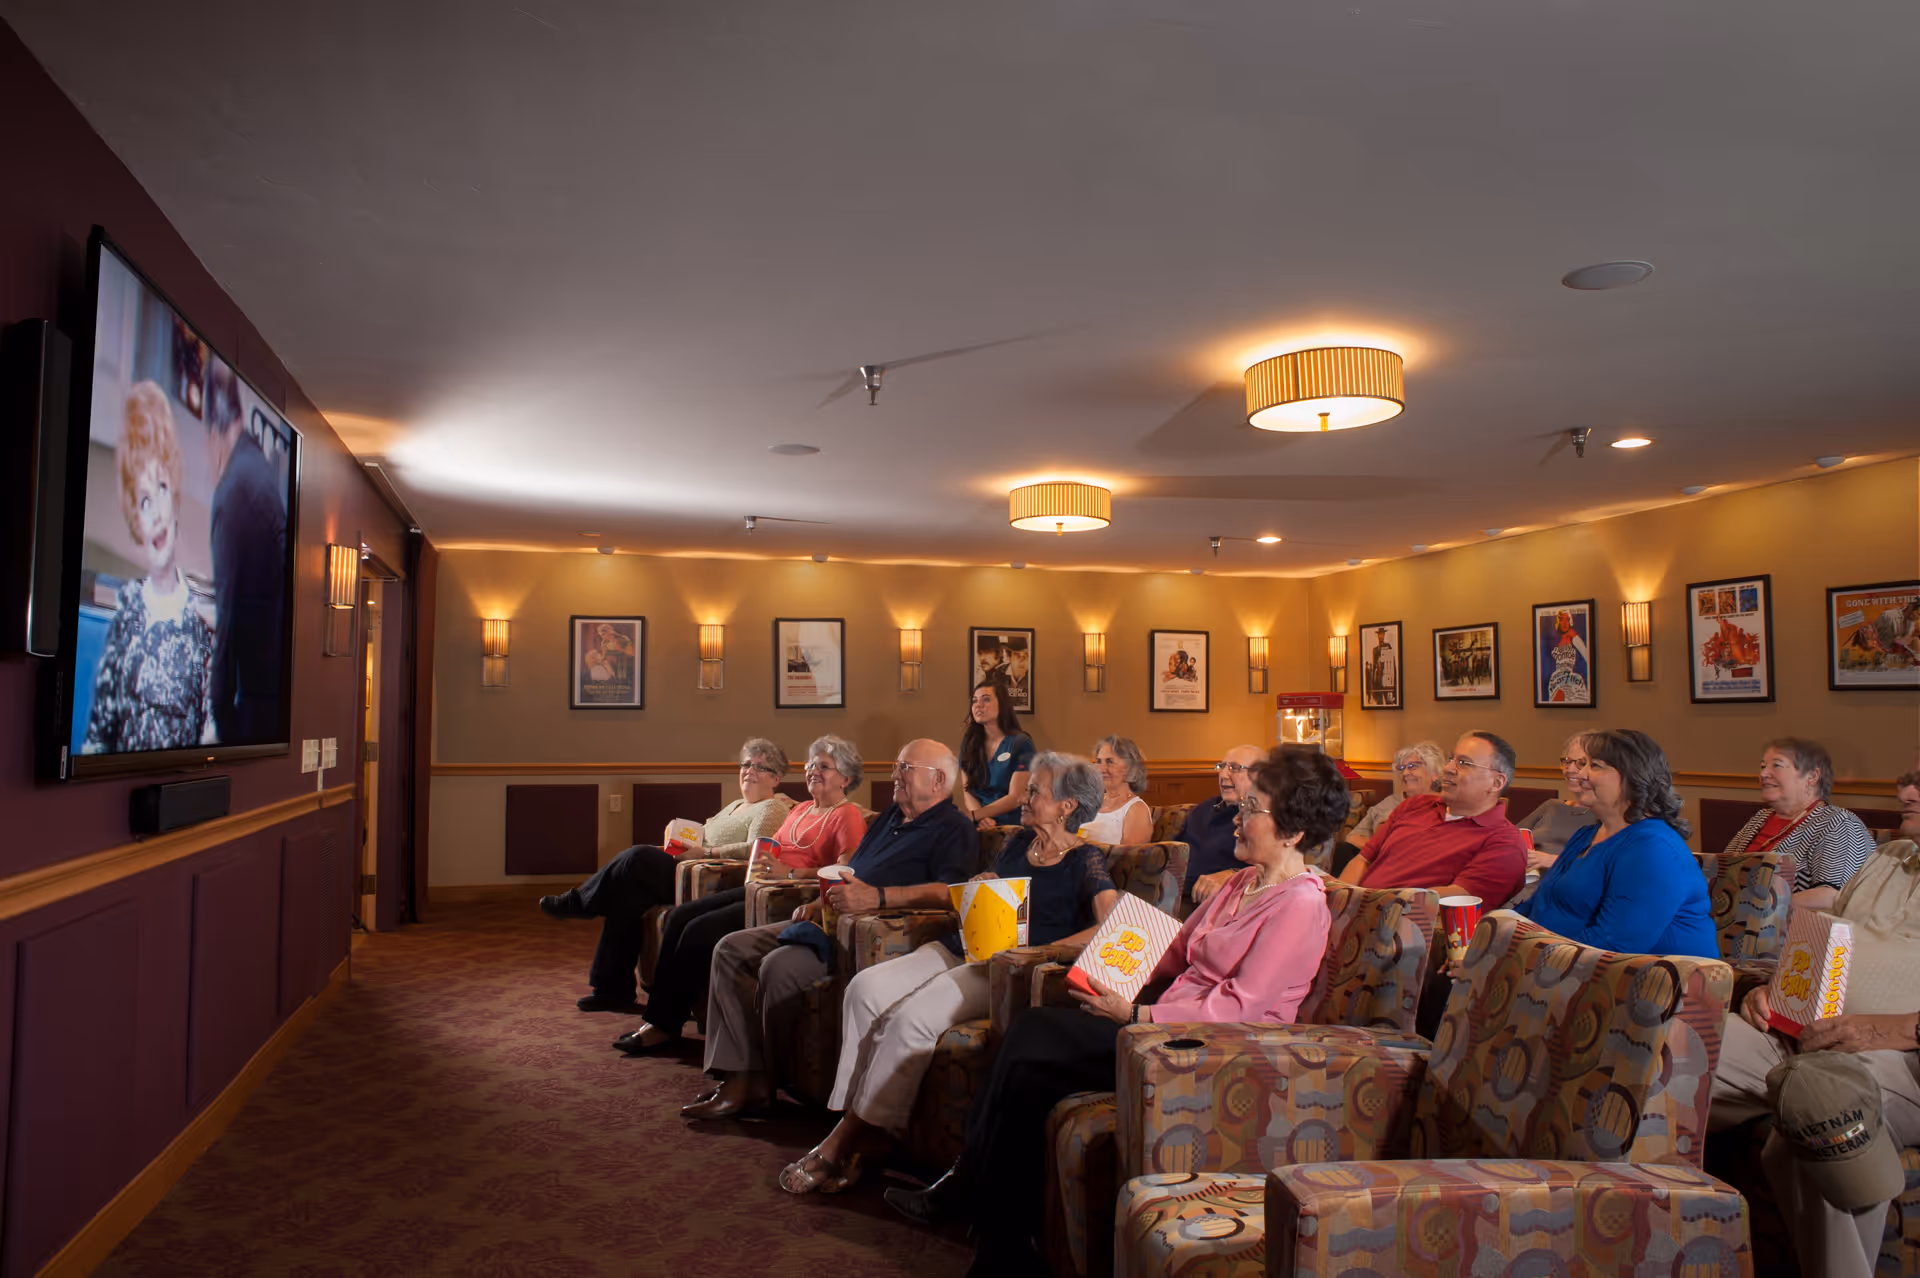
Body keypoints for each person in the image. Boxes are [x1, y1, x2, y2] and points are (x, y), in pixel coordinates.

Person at [885, 744, 1349, 1275]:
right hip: (1157, 1030)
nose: (1237, 820)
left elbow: (1237, 1008)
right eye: (1242, 808)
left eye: (1252, 810)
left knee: (1033, 1036)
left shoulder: (1300, 903)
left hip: (1204, 1055)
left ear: (1291, 831)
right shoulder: (1242, 883)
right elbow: (1173, 948)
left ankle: (975, 1201)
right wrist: (1107, 964)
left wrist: (1135, 1016)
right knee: (1029, 1068)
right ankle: (1001, 1243)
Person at [777, 753, 1121, 1195]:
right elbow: (989, 891)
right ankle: (864, 1132)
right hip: (963, 946)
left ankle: (844, 1140)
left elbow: (1111, 925)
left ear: (1067, 806)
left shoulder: (1085, 859)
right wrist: (979, 886)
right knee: (864, 989)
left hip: (1003, 968)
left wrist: (1045, 951)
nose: (1024, 795)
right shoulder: (1017, 842)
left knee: (909, 1019)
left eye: (1035, 790)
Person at [685, 738, 976, 1120]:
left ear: (938, 780)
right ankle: (742, 1076)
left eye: (905, 768)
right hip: (831, 918)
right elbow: (852, 869)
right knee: (729, 949)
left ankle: (770, 1082)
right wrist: (821, 902)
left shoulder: (954, 828)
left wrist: (879, 898)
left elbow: (951, 893)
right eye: (896, 766)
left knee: (778, 967)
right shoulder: (890, 817)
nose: (894, 775)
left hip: (874, 934)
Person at [1708, 769, 1920, 1278]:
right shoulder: (1885, 859)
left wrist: (1892, 1029)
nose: (1905, 791)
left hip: (1898, 1058)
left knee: (1819, 1106)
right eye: (1909, 780)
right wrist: (1776, 992)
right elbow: (1830, 947)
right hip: (1803, 1034)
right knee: (1672, 1048)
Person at [610, 735, 868, 1054]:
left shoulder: (848, 816)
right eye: (811, 764)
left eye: (824, 766)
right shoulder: (799, 809)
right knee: (678, 917)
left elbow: (844, 872)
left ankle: (664, 1027)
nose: (814, 770)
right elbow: (767, 847)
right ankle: (659, 1020)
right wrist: (761, 865)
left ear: (846, 777)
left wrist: (788, 873)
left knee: (698, 931)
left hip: (788, 898)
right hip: (758, 886)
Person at [538, 738, 796, 1013]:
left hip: (711, 881)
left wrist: (705, 853)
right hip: (687, 866)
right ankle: (611, 990)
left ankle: (581, 903)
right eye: (746, 764)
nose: (749, 771)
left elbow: (756, 848)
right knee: (626, 898)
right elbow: (703, 834)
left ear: (776, 778)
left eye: (760, 767)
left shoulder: (771, 808)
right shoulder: (733, 805)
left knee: (637, 856)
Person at [82, 381, 215, 754]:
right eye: (143, 501)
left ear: (174, 497)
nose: (155, 512)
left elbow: (212, 735)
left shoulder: (202, 626)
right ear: (134, 523)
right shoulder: (125, 616)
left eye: (160, 489)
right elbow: (97, 739)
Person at [1512, 729, 1717, 957]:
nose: (1578, 774)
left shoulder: (1653, 848)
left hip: (1646, 982)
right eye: (1580, 764)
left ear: (1634, 775)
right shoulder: (1586, 834)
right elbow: (1538, 905)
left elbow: (1611, 946)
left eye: (1594, 766)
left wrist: (1527, 957)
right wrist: (1496, 930)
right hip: (1557, 966)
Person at [1337, 730, 1528, 908]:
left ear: (1496, 782)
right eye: (1451, 759)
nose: (1447, 768)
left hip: (1402, 929)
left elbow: (1458, 899)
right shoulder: (1416, 804)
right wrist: (1339, 904)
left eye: (1464, 763)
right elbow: (1363, 860)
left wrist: (1370, 908)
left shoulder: (1505, 843)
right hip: (1353, 914)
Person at [201, 359, 287, 744]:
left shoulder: (233, 490)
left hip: (254, 710)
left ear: (215, 426)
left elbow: (229, 613)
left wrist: (219, 719)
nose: (208, 462)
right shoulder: (261, 472)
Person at [1722, 738, 1874, 911]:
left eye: (1776, 766)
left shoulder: (1838, 823)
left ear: (1812, 776)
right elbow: (1724, 872)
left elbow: (1833, 897)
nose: (1763, 774)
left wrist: (1759, 908)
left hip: (1791, 933)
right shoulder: (1760, 818)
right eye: (1763, 766)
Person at [1326, 740, 1444, 876]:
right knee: (1342, 851)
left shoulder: (1445, 806)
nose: (1405, 773)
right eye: (1402, 768)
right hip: (1378, 864)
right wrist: (1379, 849)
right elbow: (1354, 839)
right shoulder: (1390, 803)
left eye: (1412, 766)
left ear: (1435, 773)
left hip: (1419, 868)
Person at [1180, 744, 1264, 906]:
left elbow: (1282, 869)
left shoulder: (1267, 816)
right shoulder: (1203, 809)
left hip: (1224, 904)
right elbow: (1173, 853)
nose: (1224, 775)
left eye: (1234, 768)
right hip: (1174, 898)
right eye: (1222, 767)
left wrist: (1234, 876)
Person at [959, 677, 1034, 829]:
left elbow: (1016, 797)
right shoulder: (969, 742)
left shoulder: (1021, 742)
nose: (978, 705)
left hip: (1013, 826)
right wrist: (980, 818)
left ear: (1003, 705)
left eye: (986, 699)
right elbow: (967, 790)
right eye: (974, 701)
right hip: (980, 823)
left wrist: (976, 815)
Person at [1516, 735, 1600, 872]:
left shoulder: (1604, 817)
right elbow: (1511, 837)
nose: (1570, 770)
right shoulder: (1552, 806)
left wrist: (1550, 860)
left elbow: (1600, 867)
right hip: (1522, 877)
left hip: (1558, 884)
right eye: (1567, 761)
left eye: (1581, 763)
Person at [1079, 735, 1152, 845]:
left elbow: (1128, 858)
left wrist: (1081, 844)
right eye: (1098, 761)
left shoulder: (1137, 809)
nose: (1101, 769)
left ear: (1129, 767)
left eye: (1110, 762)